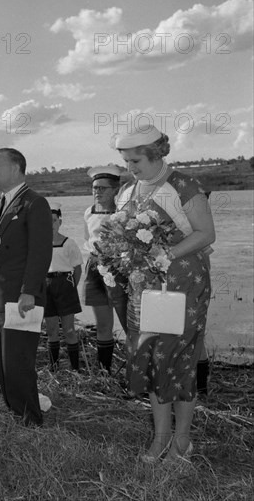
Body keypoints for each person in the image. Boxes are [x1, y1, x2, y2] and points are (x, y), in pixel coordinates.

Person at [114, 125, 215, 464]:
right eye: (127, 161)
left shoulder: (184, 186)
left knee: (180, 361)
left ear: (156, 154)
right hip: (145, 290)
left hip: (182, 287)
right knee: (154, 361)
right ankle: (160, 439)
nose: (131, 167)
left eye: (136, 160)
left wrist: (168, 255)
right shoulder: (127, 192)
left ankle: (182, 443)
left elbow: (205, 233)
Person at [0, 148, 53, 427]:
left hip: (20, 295)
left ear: (15, 168)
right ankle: (14, 409)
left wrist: (30, 290)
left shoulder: (34, 203)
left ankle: (30, 417)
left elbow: (40, 253)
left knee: (18, 360)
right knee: (3, 361)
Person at [82, 164, 128, 373]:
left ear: (115, 190)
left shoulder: (123, 214)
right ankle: (104, 372)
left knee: (129, 324)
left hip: (118, 268)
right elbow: (87, 239)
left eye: (103, 188)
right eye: (94, 188)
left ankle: (138, 370)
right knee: (102, 325)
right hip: (94, 268)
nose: (97, 192)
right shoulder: (88, 213)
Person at [45, 203, 83, 371]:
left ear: (59, 222)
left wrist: (71, 287)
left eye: (53, 220)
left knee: (68, 330)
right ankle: (54, 368)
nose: (50, 224)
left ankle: (75, 368)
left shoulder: (69, 243)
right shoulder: (39, 244)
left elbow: (78, 269)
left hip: (65, 285)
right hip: (46, 286)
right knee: (52, 329)